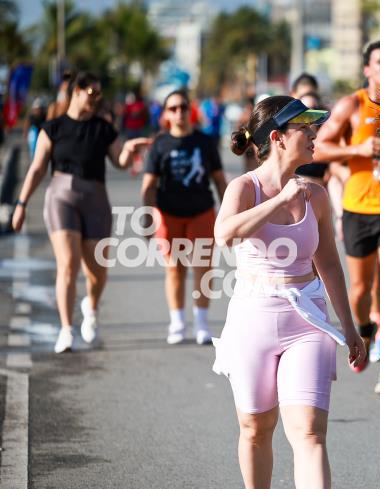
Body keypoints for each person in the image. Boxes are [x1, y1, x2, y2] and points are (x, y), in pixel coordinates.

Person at [213, 95, 364, 489]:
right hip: (253, 316)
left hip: (307, 318)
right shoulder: (244, 188)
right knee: (255, 428)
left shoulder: (316, 194)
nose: (315, 135)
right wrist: (279, 201)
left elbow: (328, 264)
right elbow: (224, 234)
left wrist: (349, 328)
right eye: (305, 127)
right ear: (277, 137)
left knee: (310, 431)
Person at [11, 72, 152, 353]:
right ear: (76, 92)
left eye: (99, 93)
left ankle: (91, 307)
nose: (96, 98)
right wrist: (21, 204)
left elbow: (120, 161)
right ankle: (66, 329)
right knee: (68, 264)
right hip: (61, 197)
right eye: (92, 93)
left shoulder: (103, 128)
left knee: (97, 272)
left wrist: (129, 150)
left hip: (95, 199)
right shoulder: (52, 128)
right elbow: (37, 168)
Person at [313, 39, 380, 395]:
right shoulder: (352, 105)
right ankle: (366, 331)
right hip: (357, 209)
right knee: (359, 290)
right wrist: (358, 149)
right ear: (367, 68)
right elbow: (318, 148)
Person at [142, 89, 228, 345]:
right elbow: (149, 185)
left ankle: (201, 322)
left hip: (201, 211)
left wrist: (229, 214)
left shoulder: (205, 142)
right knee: (175, 269)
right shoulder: (159, 144)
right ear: (166, 114)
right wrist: (148, 218)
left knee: (203, 268)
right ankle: (177, 322)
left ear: (191, 111)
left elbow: (219, 180)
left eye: (183, 107)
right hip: (168, 213)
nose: (179, 112)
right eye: (173, 108)